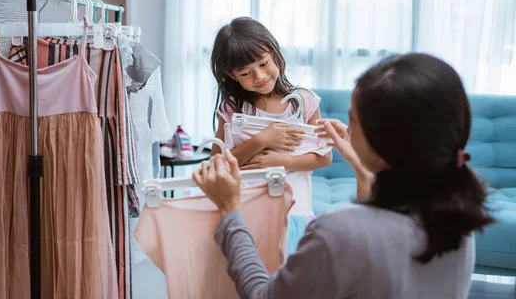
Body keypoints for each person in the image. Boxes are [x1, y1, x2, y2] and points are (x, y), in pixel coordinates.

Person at [193, 53, 494, 299]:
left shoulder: (336, 230)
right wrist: (361, 167)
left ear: (382, 142)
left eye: (352, 120)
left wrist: (230, 212)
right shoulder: (458, 217)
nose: (345, 130)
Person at [210, 16, 333, 254]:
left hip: (294, 211)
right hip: (246, 212)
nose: (259, 77)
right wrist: (261, 140)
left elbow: (324, 157)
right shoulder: (232, 108)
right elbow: (217, 163)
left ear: (275, 53)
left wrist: (280, 162)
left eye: (263, 63)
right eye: (245, 73)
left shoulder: (304, 102)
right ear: (232, 75)